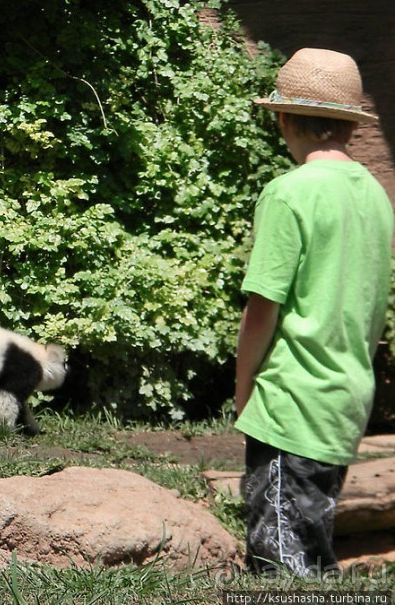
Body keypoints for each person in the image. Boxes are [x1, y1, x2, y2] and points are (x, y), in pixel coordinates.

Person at [234, 47, 393, 576]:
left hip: (291, 402)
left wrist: (244, 389)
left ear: (281, 118)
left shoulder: (288, 193)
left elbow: (263, 308)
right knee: (311, 548)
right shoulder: (374, 195)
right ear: (349, 125)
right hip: (346, 398)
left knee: (282, 567)